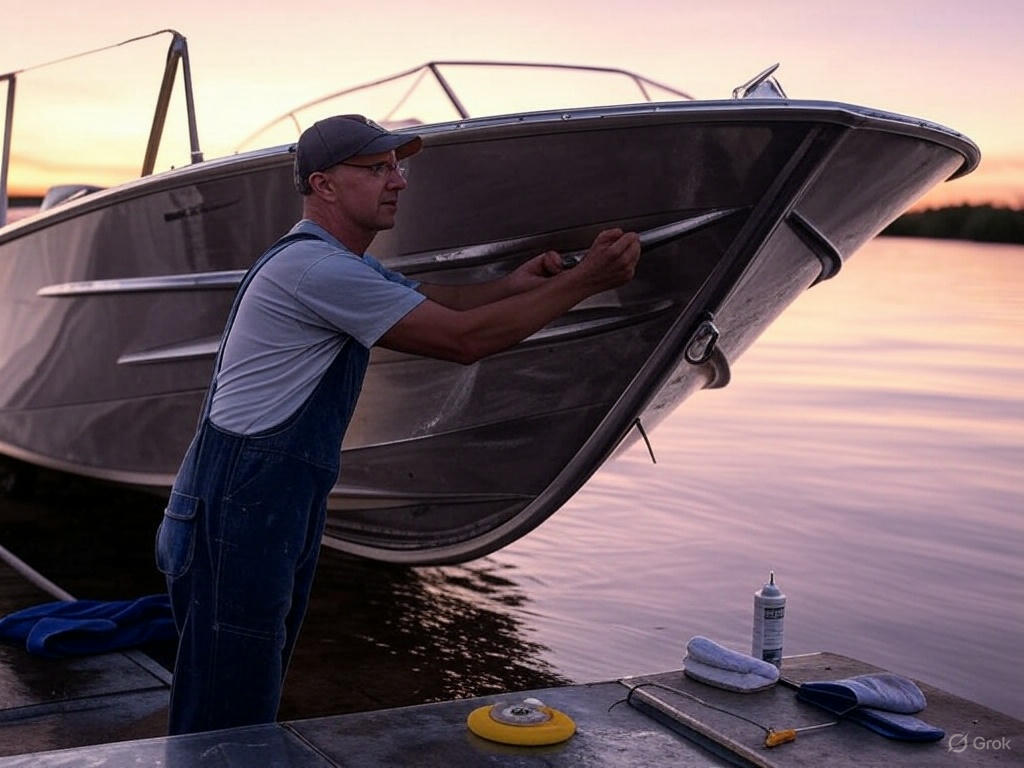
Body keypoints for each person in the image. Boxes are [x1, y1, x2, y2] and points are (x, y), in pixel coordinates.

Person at [155, 114, 641, 735]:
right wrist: (586, 281)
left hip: (264, 502)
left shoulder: (336, 262)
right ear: (324, 184)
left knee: (248, 690)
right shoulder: (317, 271)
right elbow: (463, 339)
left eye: (397, 167)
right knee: (226, 714)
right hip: (239, 504)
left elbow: (437, 301)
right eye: (376, 169)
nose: (398, 181)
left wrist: (513, 283)